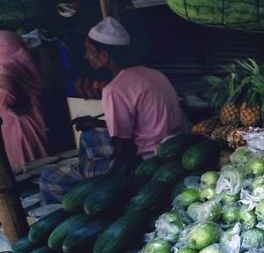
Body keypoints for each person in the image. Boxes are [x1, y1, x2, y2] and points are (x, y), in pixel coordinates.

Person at [39, 17, 187, 203]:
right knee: (90, 134)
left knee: (49, 177)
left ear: (104, 55)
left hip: (146, 161)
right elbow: (143, 122)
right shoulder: (153, 74)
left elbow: (123, 149)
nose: (86, 56)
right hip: (173, 147)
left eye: (89, 50)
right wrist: (98, 123)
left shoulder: (115, 89)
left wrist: (105, 181)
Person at [0, 32, 49, 171]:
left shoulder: (4, 66)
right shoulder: (20, 61)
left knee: (27, 167)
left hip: (18, 126)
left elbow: (6, 89)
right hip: (32, 121)